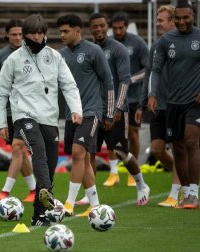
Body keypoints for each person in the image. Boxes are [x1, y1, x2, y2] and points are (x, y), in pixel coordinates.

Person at [0, 14, 83, 226]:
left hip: (49, 118)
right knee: (38, 150)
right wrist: (1, 122)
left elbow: (69, 85)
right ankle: (44, 191)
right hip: (23, 116)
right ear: (25, 35)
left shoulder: (55, 56)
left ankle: (39, 216)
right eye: (33, 33)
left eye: (40, 32)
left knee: (50, 166)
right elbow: (1, 91)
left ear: (45, 33)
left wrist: (76, 109)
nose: (37, 36)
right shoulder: (13, 59)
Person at [77, 13, 150, 211]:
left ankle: (141, 185)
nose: (99, 29)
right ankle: (89, 194)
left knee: (120, 151)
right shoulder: (88, 49)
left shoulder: (118, 49)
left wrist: (117, 108)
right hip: (92, 109)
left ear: (106, 26)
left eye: (102, 25)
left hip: (117, 110)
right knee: (89, 153)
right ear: (90, 28)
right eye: (95, 26)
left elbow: (125, 80)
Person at [56, 14, 114, 217]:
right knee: (85, 158)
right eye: (60, 31)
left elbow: (108, 81)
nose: (62, 35)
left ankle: (69, 204)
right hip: (71, 114)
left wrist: (109, 112)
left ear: (77, 31)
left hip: (91, 111)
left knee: (79, 153)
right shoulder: (60, 55)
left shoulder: (93, 51)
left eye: (65, 31)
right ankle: (95, 204)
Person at [149, 1, 200, 209]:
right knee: (178, 148)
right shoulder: (166, 41)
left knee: (191, 142)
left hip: (195, 102)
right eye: (178, 18)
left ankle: (194, 194)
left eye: (185, 17)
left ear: (193, 16)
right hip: (172, 102)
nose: (181, 21)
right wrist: (152, 94)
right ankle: (186, 193)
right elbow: (156, 70)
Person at [135, 5, 180, 208]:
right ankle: (183, 178)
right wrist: (141, 103)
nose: (158, 24)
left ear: (173, 21)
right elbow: (149, 76)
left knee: (179, 149)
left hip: (178, 103)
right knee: (157, 149)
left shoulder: (183, 43)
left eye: (161, 20)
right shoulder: (155, 47)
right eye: (158, 20)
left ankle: (175, 192)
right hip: (157, 105)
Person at [0, 19, 36, 203]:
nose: (17, 38)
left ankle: (5, 191)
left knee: (18, 147)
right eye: (14, 34)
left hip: (26, 110)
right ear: (7, 35)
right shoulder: (0, 56)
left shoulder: (31, 53)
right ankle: (34, 190)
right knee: (20, 150)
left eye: (20, 34)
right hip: (9, 111)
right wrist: (0, 90)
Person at [111, 11, 149, 187]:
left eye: (121, 28)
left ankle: (134, 172)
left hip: (132, 97)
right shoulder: (107, 44)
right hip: (112, 97)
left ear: (126, 26)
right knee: (109, 132)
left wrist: (131, 80)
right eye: (115, 28)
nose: (118, 31)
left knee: (133, 134)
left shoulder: (137, 43)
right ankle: (113, 172)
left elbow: (147, 69)